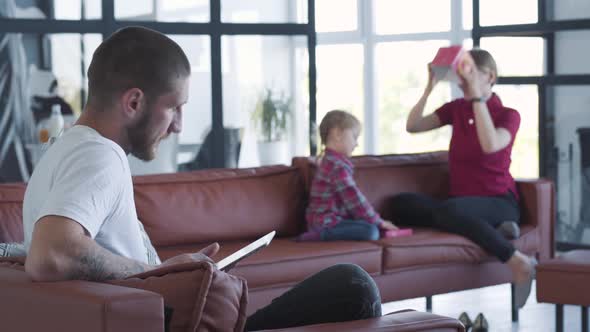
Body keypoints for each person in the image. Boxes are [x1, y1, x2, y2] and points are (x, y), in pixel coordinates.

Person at [22, 27, 381, 331]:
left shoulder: (59, 152)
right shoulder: (100, 156)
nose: (178, 125)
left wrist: (165, 271)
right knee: (353, 285)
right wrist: (153, 272)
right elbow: (50, 254)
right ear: (134, 102)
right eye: (174, 108)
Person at [391, 48, 536, 308]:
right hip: (461, 203)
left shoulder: (508, 115)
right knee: (401, 204)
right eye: (461, 75)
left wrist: (478, 99)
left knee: (449, 210)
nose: (463, 81)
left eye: (470, 74)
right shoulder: (457, 109)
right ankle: (493, 228)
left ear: (489, 77)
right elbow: (413, 126)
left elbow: (491, 144)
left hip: (498, 200)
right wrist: (429, 88)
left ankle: (518, 261)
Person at [299, 110, 398, 242]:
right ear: (337, 134)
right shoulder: (336, 166)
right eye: (354, 137)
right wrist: (378, 221)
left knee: (370, 228)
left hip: (332, 221)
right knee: (371, 231)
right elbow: (355, 200)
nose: (356, 144)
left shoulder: (331, 161)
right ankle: (319, 235)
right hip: (326, 224)